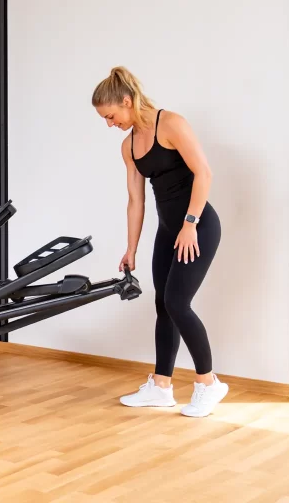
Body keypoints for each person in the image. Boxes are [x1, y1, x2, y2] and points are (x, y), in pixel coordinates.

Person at [92, 66, 228, 418]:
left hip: (197, 226)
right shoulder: (129, 147)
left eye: (111, 116)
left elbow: (204, 172)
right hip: (169, 230)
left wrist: (190, 222)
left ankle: (209, 384)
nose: (110, 124)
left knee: (178, 303)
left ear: (126, 101)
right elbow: (135, 201)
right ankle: (161, 387)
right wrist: (131, 248)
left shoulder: (171, 124)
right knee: (163, 305)